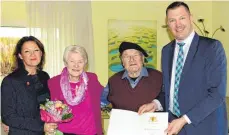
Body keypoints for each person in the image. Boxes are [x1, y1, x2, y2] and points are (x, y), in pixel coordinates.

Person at [140, 1, 228, 135]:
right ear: (167, 24)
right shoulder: (166, 51)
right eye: (172, 20)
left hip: (205, 127)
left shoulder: (212, 48)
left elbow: (217, 94)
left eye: (182, 18)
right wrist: (155, 104)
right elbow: (168, 90)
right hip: (174, 127)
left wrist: (184, 120)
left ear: (190, 18)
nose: (178, 24)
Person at [1, 36, 57, 135]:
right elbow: (8, 117)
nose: (32, 54)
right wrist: (41, 126)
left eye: (36, 50)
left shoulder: (44, 76)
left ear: (41, 53)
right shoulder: (10, 81)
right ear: (20, 55)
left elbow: (48, 105)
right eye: (27, 51)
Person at [48, 45, 103, 135]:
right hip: (64, 133)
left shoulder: (92, 79)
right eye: (72, 61)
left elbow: (108, 96)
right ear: (66, 63)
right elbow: (48, 110)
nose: (76, 65)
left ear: (85, 63)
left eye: (80, 61)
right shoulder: (54, 83)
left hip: (90, 133)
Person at [101, 41, 164, 113]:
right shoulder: (113, 81)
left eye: (135, 55)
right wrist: (112, 113)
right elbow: (101, 102)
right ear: (122, 61)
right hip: (123, 124)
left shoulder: (159, 77)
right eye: (126, 56)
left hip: (152, 123)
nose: (131, 59)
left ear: (142, 58)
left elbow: (169, 100)